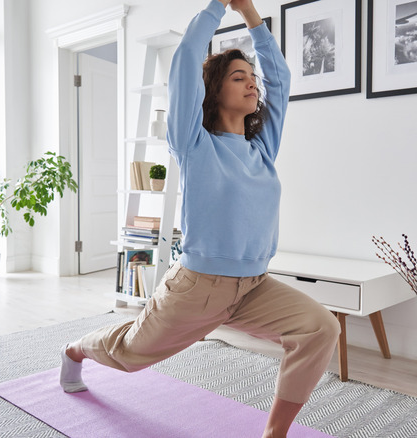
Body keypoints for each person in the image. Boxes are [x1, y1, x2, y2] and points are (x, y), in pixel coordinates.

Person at [60, 1, 340, 437]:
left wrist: (251, 15)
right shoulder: (193, 143)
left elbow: (280, 80)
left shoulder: (262, 149)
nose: (251, 83)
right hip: (197, 289)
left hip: (254, 286)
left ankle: (274, 433)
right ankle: (76, 350)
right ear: (213, 91)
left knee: (321, 327)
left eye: (252, 77)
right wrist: (218, 6)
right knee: (131, 353)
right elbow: (187, 57)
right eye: (238, 77)